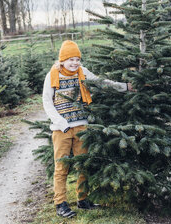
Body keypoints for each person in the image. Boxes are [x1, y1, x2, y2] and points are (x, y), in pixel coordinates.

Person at [42, 40, 133, 218]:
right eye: (71, 59)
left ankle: (83, 199)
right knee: (61, 167)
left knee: (83, 164)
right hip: (62, 129)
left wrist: (126, 87)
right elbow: (47, 102)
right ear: (63, 60)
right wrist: (61, 123)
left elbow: (101, 82)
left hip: (82, 126)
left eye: (77, 59)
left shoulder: (82, 72)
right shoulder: (52, 75)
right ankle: (61, 203)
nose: (75, 63)